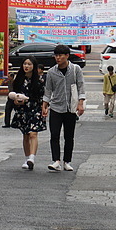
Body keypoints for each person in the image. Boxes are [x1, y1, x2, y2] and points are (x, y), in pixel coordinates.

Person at [41, 44, 86, 172]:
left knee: (69, 136)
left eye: (60, 55)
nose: (58, 58)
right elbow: (48, 90)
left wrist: (80, 103)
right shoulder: (51, 72)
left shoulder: (76, 69)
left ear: (67, 56)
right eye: (56, 55)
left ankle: (67, 161)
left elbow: (81, 86)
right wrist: (45, 104)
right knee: (54, 134)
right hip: (56, 107)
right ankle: (56, 161)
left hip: (70, 107)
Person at [9, 57, 46, 169]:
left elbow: (42, 96)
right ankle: (26, 158)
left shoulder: (39, 81)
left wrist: (44, 107)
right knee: (25, 135)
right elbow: (13, 94)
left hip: (35, 109)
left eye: (29, 64)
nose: (26, 66)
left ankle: (32, 158)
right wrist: (16, 101)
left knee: (33, 133)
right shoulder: (19, 80)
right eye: (25, 64)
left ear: (34, 66)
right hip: (22, 110)